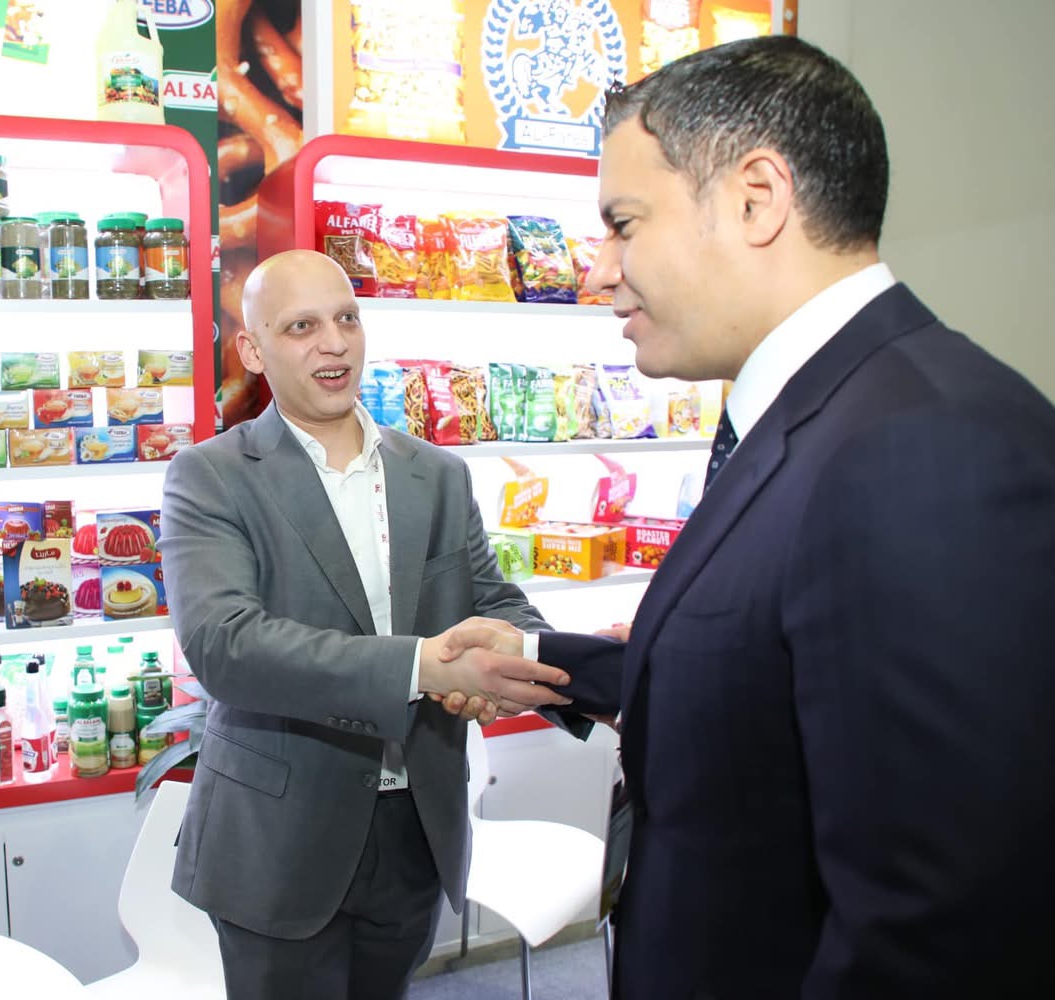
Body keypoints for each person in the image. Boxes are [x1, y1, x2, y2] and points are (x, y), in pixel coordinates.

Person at [441, 34, 1055, 998]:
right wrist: (542, 661)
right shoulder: (821, 413)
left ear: (756, 200)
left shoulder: (923, 447)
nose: (598, 271)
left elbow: (936, 927)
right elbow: (769, 670)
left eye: (623, 224)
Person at [159, 249, 580, 999]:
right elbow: (227, 645)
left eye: (347, 318)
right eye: (302, 327)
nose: (335, 343)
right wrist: (428, 667)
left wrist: (553, 665)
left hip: (417, 824)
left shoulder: (437, 473)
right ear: (251, 350)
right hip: (281, 838)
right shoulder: (211, 475)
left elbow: (493, 602)